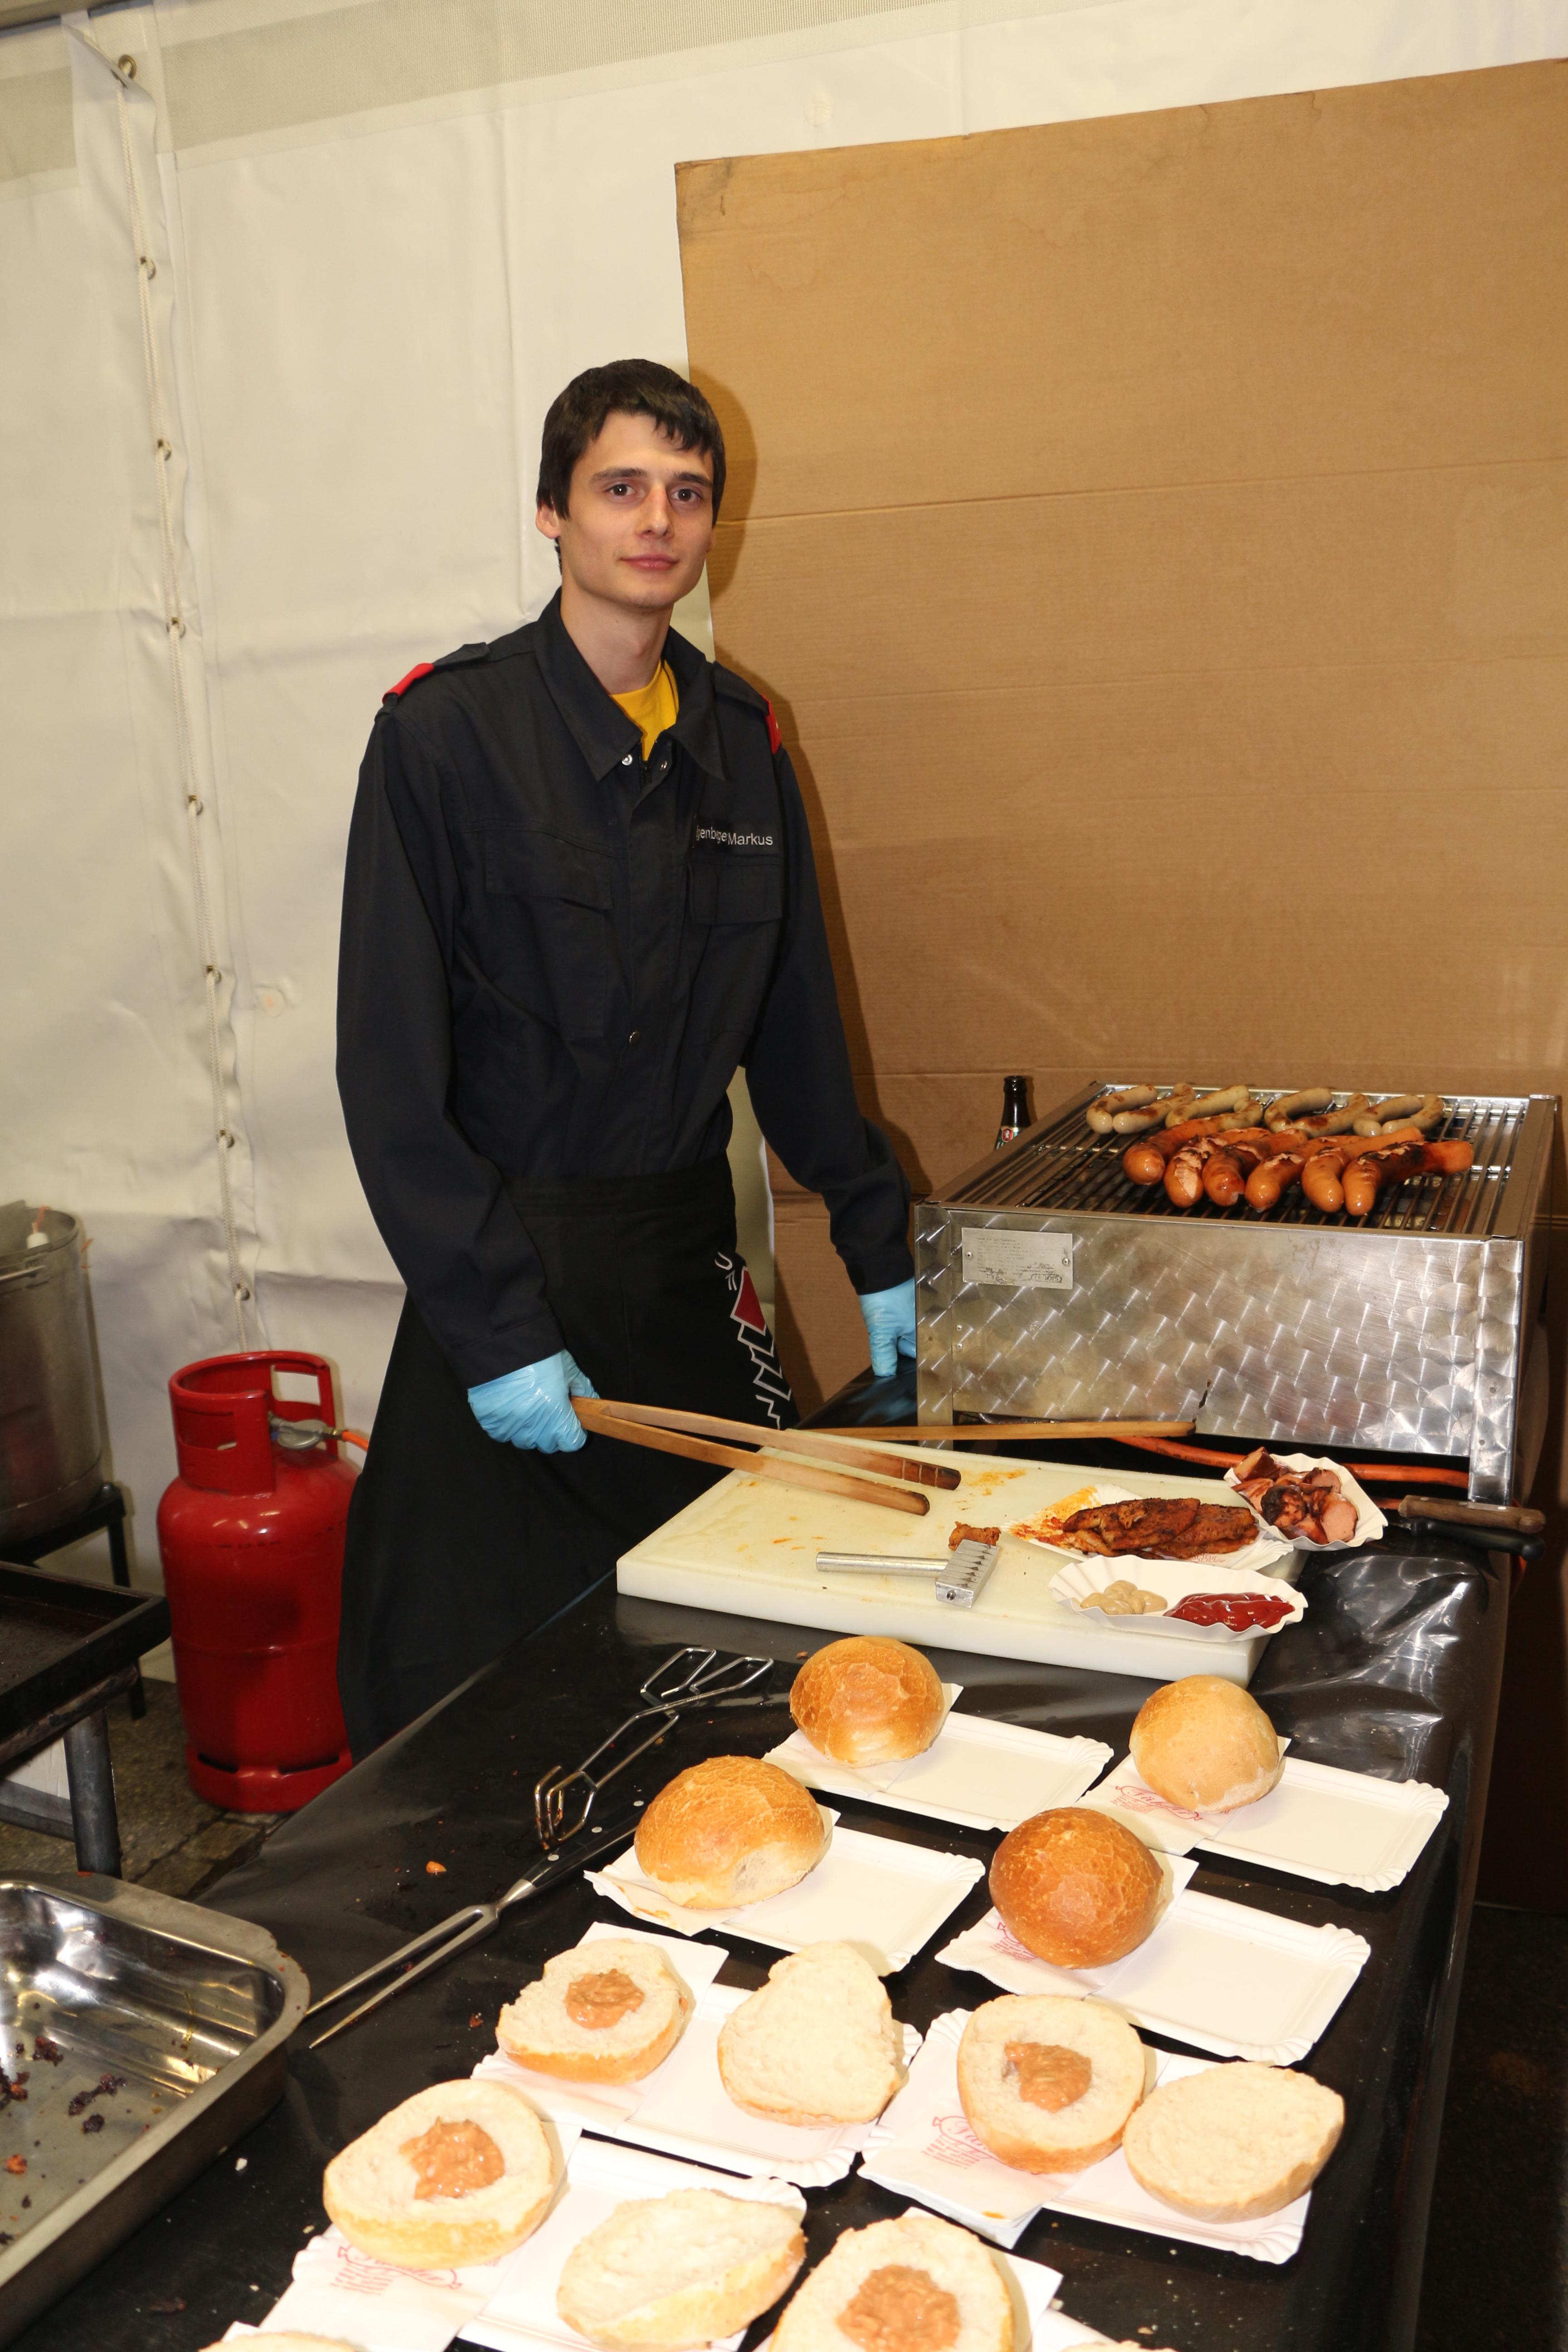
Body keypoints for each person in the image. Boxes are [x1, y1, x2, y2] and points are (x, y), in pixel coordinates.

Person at [334, 359, 916, 1755]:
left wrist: (879, 1241)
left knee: (730, 1659)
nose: (657, 519)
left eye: (688, 492)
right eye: (620, 487)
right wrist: (497, 1332)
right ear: (553, 510)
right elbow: (390, 1073)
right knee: (462, 1701)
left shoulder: (743, 742)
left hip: (681, 1280)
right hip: (512, 1286)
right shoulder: (444, 738)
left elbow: (795, 1025)